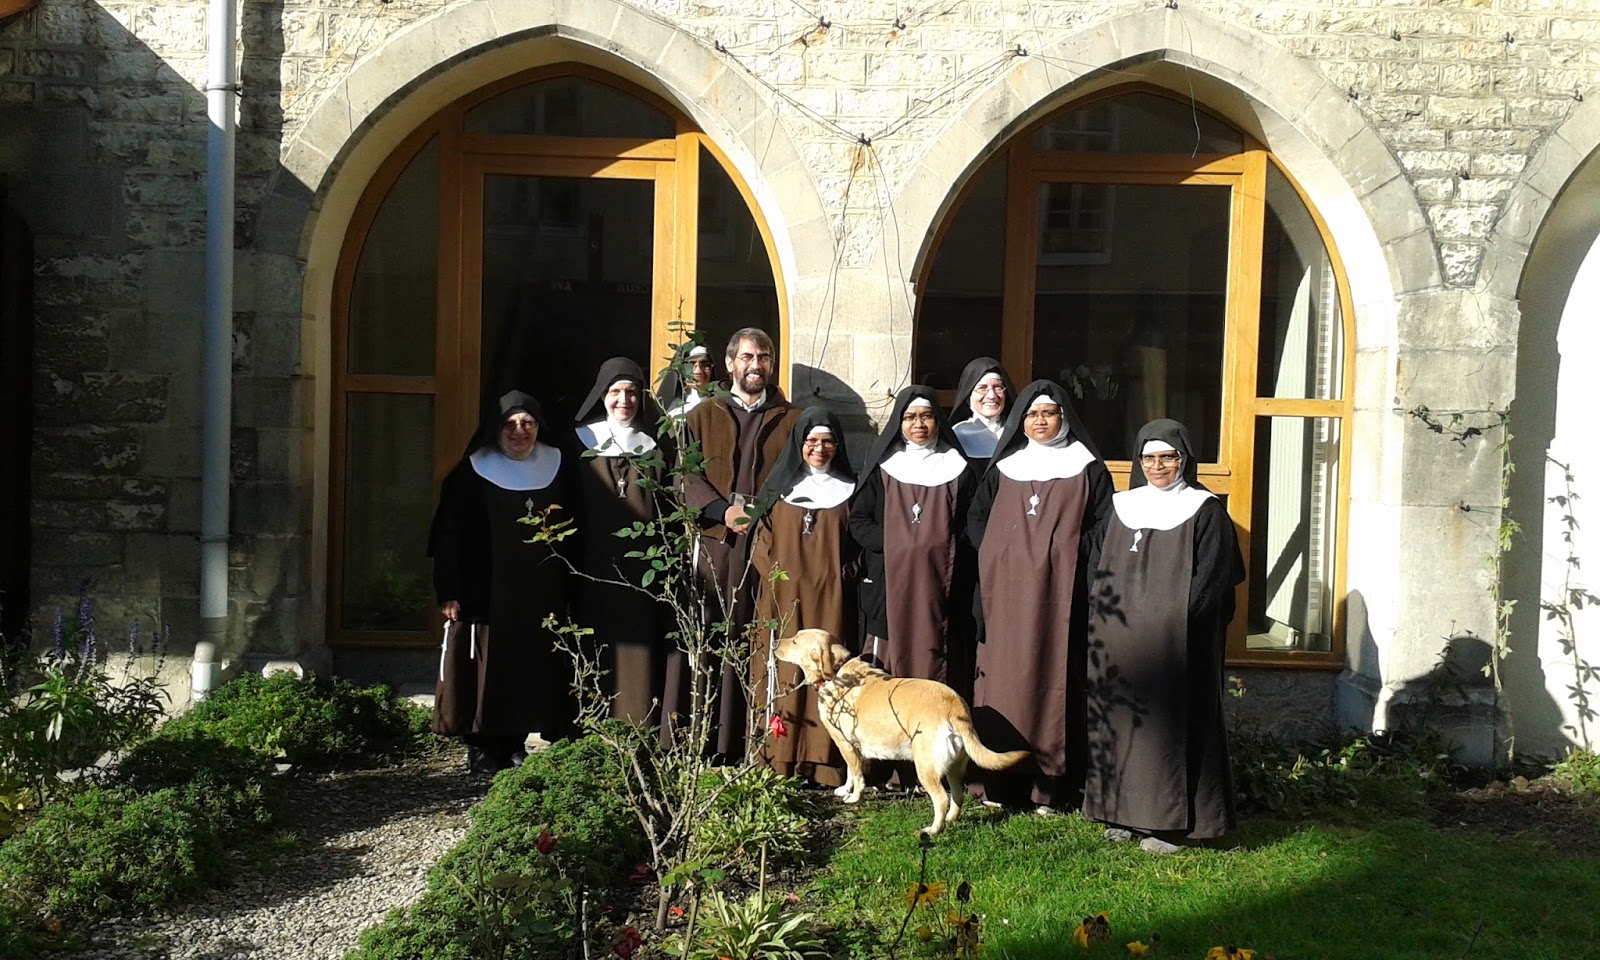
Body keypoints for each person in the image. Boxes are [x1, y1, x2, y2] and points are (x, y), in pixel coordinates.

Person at [1083, 419, 1243, 853]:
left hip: (1179, 644)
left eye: (1167, 457)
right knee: (1122, 723)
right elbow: (1095, 568)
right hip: (1119, 641)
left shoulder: (1205, 510)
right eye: (1149, 458)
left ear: (1184, 460)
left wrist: (1172, 622)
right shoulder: (1120, 508)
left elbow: (1212, 581)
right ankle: (1121, 813)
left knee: (1174, 728)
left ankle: (1176, 828)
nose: (1158, 465)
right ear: (1138, 462)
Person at [967, 380, 1114, 812]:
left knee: (1055, 685)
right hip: (1005, 598)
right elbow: (977, 521)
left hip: (1061, 599)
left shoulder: (1087, 467)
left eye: (1048, 414)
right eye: (1031, 415)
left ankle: (1050, 790)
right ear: (1020, 421)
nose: (1040, 421)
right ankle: (1000, 785)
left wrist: (1067, 553)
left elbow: (1104, 527)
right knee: (1001, 686)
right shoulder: (1005, 466)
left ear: (1064, 417)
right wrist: (1003, 553)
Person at [428, 390, 574, 774]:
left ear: (539, 428)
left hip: (539, 593)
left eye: (527, 423)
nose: (519, 431)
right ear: (496, 429)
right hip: (485, 592)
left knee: (524, 667)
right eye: (510, 424)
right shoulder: (471, 473)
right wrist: (449, 590)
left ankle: (513, 742)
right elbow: (447, 536)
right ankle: (481, 748)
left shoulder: (559, 467)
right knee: (483, 671)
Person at [680, 327, 801, 757]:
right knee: (716, 630)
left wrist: (764, 514)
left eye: (764, 357)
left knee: (762, 634)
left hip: (769, 541)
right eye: (747, 357)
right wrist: (721, 511)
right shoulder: (703, 415)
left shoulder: (792, 419)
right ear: (730, 363)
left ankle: (758, 743)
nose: (756, 365)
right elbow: (685, 474)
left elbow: (800, 477)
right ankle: (709, 741)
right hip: (717, 541)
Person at [749, 407, 860, 787]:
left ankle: (826, 762)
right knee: (780, 671)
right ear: (799, 444)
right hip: (782, 598)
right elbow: (760, 540)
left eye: (828, 441)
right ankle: (776, 757)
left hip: (831, 600)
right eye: (812, 441)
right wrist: (777, 576)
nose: (819, 448)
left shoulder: (851, 491)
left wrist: (841, 577)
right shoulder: (780, 490)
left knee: (827, 676)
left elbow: (859, 546)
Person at [849, 386, 976, 687]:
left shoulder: (959, 468)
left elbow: (970, 525)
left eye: (927, 416)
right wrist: (896, 544)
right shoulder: (883, 467)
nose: (919, 424)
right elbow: (859, 520)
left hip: (941, 588)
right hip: (888, 585)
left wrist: (944, 548)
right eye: (910, 417)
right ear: (899, 423)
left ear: (937, 421)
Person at [570, 358, 670, 725]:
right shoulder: (580, 443)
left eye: (631, 392)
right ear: (602, 395)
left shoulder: (657, 445)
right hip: (591, 564)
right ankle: (591, 722)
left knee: (640, 641)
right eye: (615, 392)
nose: (624, 400)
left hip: (642, 566)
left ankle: (637, 721)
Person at [948, 358, 1015, 461]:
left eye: (998, 387)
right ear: (969, 395)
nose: (992, 396)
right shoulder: (956, 435)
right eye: (982, 388)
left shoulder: (1016, 433)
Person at [661, 343, 718, 417]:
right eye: (691, 364)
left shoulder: (720, 404)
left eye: (705, 365)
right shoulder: (669, 407)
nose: (698, 371)